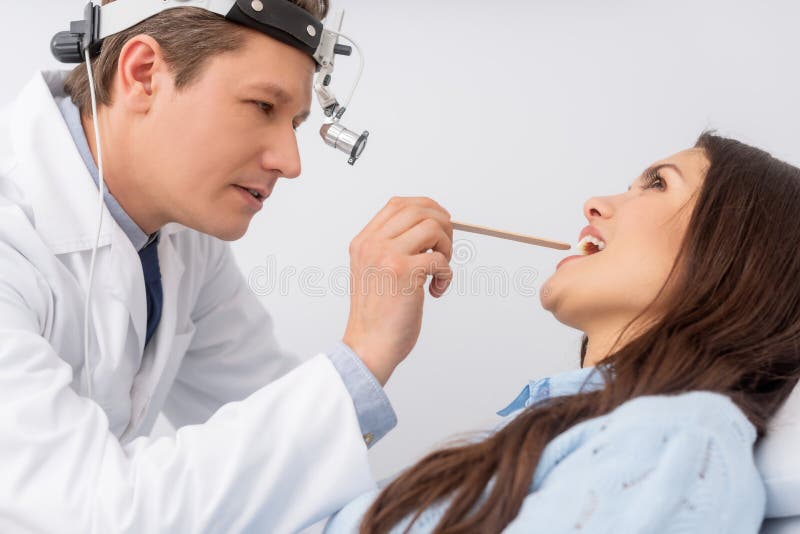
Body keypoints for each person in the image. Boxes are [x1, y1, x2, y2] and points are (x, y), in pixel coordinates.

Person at [0, 2, 453, 532]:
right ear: (144, 74)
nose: (291, 161)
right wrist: (365, 352)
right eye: (263, 105)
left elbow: (274, 446)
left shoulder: (182, 240)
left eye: (297, 123)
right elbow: (93, 512)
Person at [324, 133, 800, 534]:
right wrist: (367, 351)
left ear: (732, 257)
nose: (595, 204)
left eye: (657, 184)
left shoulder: (678, 444)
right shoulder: (562, 431)